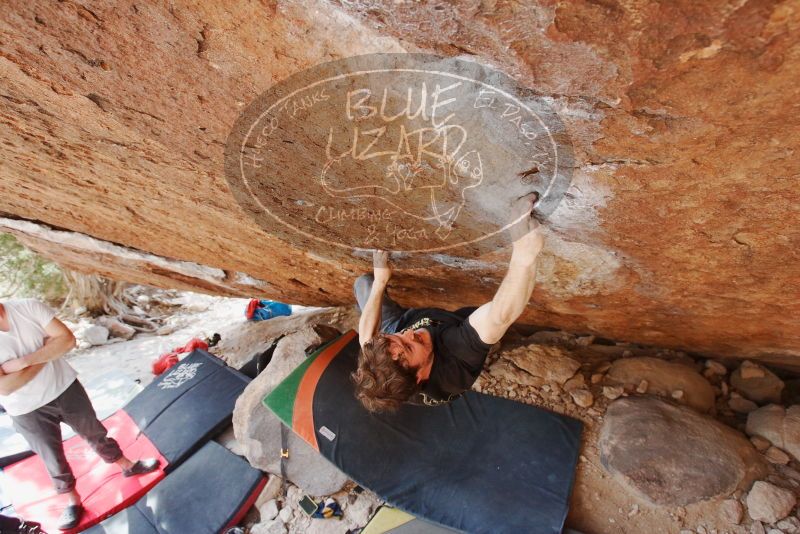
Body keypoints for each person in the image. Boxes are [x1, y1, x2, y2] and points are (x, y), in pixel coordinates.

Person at [352, 193, 544, 412]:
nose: (410, 333)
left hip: (404, 329)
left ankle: (390, 324)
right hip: (452, 326)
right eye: (409, 346)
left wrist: (380, 282)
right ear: (420, 377)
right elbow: (500, 316)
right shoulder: (453, 363)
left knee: (363, 284)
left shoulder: (387, 358)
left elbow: (366, 338)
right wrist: (524, 253)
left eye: (397, 339)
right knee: (491, 327)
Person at [0, 299, 160, 530]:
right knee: (51, 456)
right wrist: (47, 351)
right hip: (25, 408)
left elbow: (67, 340)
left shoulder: (27, 307)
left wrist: (24, 362)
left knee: (94, 431)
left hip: (64, 386)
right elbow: (5, 387)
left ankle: (126, 464)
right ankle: (71, 500)